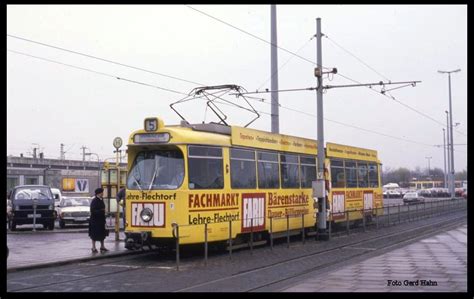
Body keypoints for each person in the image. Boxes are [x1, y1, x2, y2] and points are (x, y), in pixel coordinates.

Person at [89, 188, 108, 253]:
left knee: (102, 233)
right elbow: (92, 210)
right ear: (98, 193)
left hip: (101, 220)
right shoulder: (94, 200)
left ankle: (102, 246)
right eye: (101, 192)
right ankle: (93, 247)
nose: (102, 193)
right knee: (94, 234)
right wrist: (101, 211)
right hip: (95, 221)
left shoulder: (101, 199)